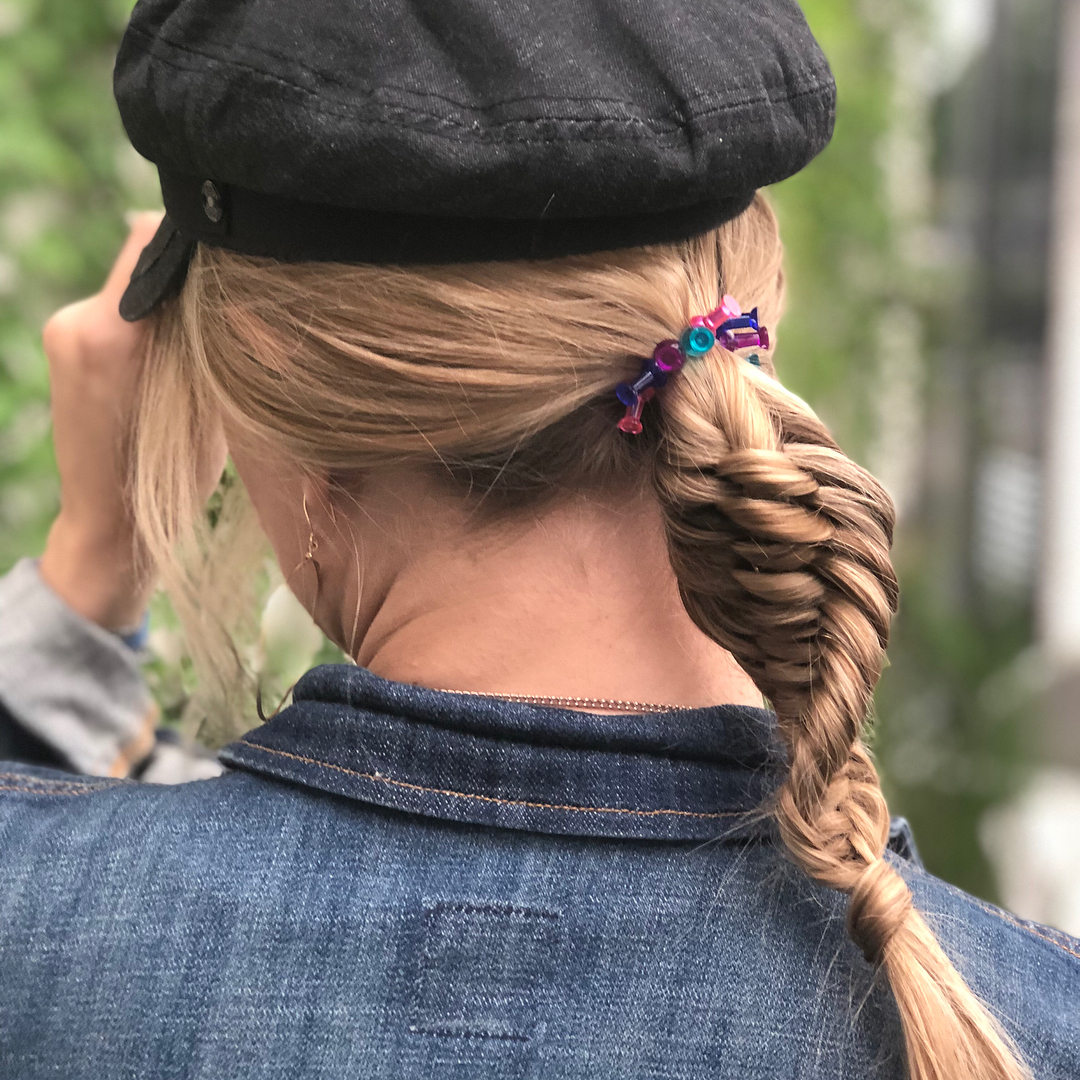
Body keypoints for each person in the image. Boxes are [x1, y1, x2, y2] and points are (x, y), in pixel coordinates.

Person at [0, 1, 1077, 1077]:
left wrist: (90, 569)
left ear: (273, 386)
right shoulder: (1022, 1019)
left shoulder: (32, 928)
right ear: (755, 329)